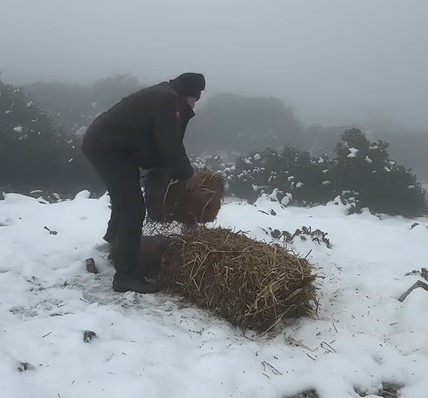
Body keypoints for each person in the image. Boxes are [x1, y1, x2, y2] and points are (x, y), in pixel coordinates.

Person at [82, 73, 205, 293]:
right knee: (133, 208)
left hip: (112, 146)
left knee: (126, 198)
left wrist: (165, 169)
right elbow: (170, 144)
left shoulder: (163, 95)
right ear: (189, 94)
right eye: (196, 98)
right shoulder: (168, 102)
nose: (195, 103)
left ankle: (115, 241)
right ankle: (126, 276)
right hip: (108, 149)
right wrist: (187, 174)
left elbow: (154, 141)